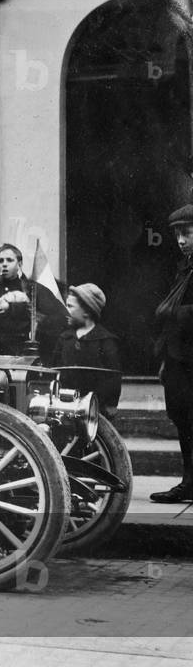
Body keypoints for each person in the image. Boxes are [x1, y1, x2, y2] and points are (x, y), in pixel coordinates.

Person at [150, 204, 193, 503]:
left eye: (187, 233)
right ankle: (189, 482)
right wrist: (165, 360)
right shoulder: (184, 268)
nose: (180, 240)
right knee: (183, 420)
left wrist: (175, 313)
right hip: (178, 358)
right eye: (177, 234)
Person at [0, 243, 69, 363]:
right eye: (0, 261)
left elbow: (60, 318)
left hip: (25, 352)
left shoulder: (34, 289)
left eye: (9, 260)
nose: (4, 264)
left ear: (19, 264)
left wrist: (18, 308)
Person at [50, 283, 122, 416]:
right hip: (66, 406)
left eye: (70, 306)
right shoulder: (65, 338)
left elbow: (113, 378)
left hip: (95, 409)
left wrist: (110, 405)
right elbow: (54, 370)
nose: (65, 311)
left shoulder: (105, 341)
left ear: (87, 312)